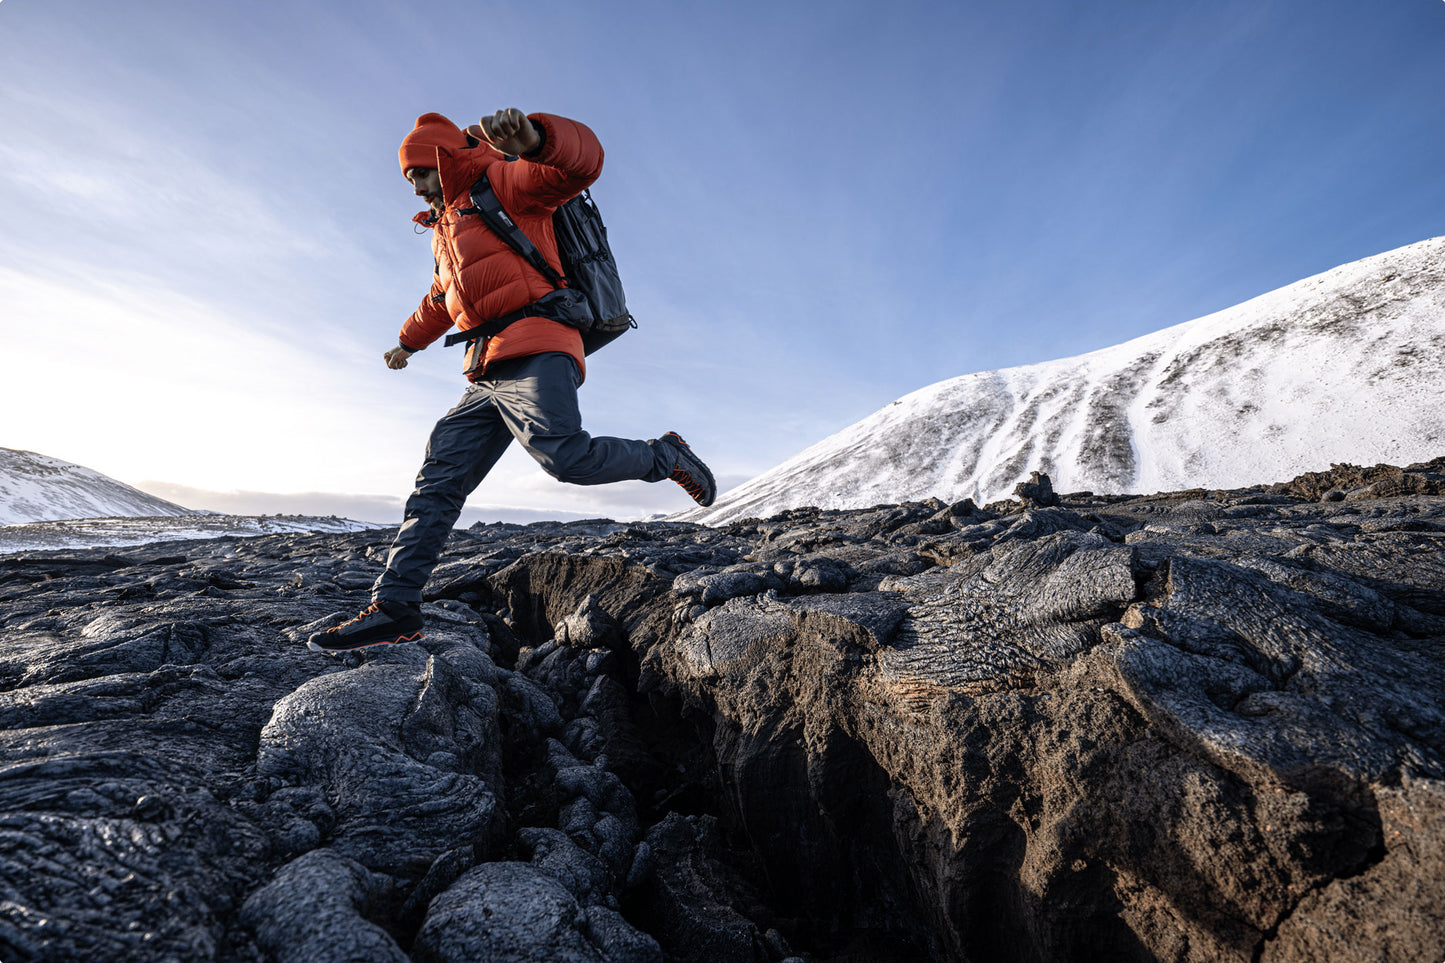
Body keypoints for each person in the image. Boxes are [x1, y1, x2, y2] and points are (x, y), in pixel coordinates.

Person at [308, 108, 715, 654]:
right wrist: (407, 343)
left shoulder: (502, 182)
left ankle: (666, 456)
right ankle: (395, 608)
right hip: (484, 370)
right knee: (437, 483)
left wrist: (536, 139)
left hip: (539, 344)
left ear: (440, 159)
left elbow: (577, 167)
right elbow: (440, 300)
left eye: (419, 176)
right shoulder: (446, 232)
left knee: (565, 458)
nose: (416, 191)